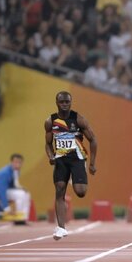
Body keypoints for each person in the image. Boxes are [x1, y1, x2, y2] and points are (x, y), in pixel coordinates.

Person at [45, 91, 97, 240]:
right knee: (60, 190)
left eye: (67, 102)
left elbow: (93, 140)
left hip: (77, 159)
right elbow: (48, 144)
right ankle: (61, 228)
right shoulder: (50, 121)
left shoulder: (78, 119)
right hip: (61, 159)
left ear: (70, 102)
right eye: (62, 102)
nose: (65, 104)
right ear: (57, 103)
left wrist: (92, 163)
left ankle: (75, 178)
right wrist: (50, 156)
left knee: (80, 192)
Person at [0, 154, 31, 221]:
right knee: (21, 195)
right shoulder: (4, 173)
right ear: (11, 162)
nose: (17, 164)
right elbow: (1, 191)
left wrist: (21, 187)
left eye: (19, 162)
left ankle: (24, 217)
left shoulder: (16, 171)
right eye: (16, 162)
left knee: (26, 194)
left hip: (6, 190)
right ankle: (18, 217)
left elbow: (14, 185)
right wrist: (6, 208)